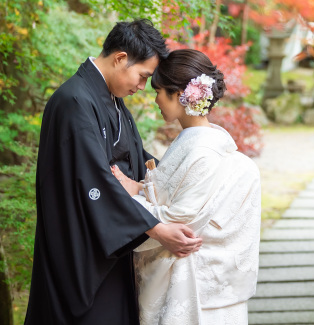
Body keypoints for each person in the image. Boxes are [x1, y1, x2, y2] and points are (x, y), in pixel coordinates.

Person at [25, 20, 203, 325]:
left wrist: (180, 177)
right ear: (120, 58)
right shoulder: (73, 102)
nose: (142, 87)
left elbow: (140, 163)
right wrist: (157, 229)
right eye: (143, 76)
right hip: (80, 248)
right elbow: (93, 181)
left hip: (113, 243)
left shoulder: (113, 102)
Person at [112, 49, 261, 324]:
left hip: (197, 288)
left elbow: (178, 223)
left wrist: (123, 198)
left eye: (159, 90)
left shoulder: (204, 152)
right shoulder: (196, 142)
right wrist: (137, 189)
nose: (154, 97)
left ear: (181, 94)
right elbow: (164, 198)